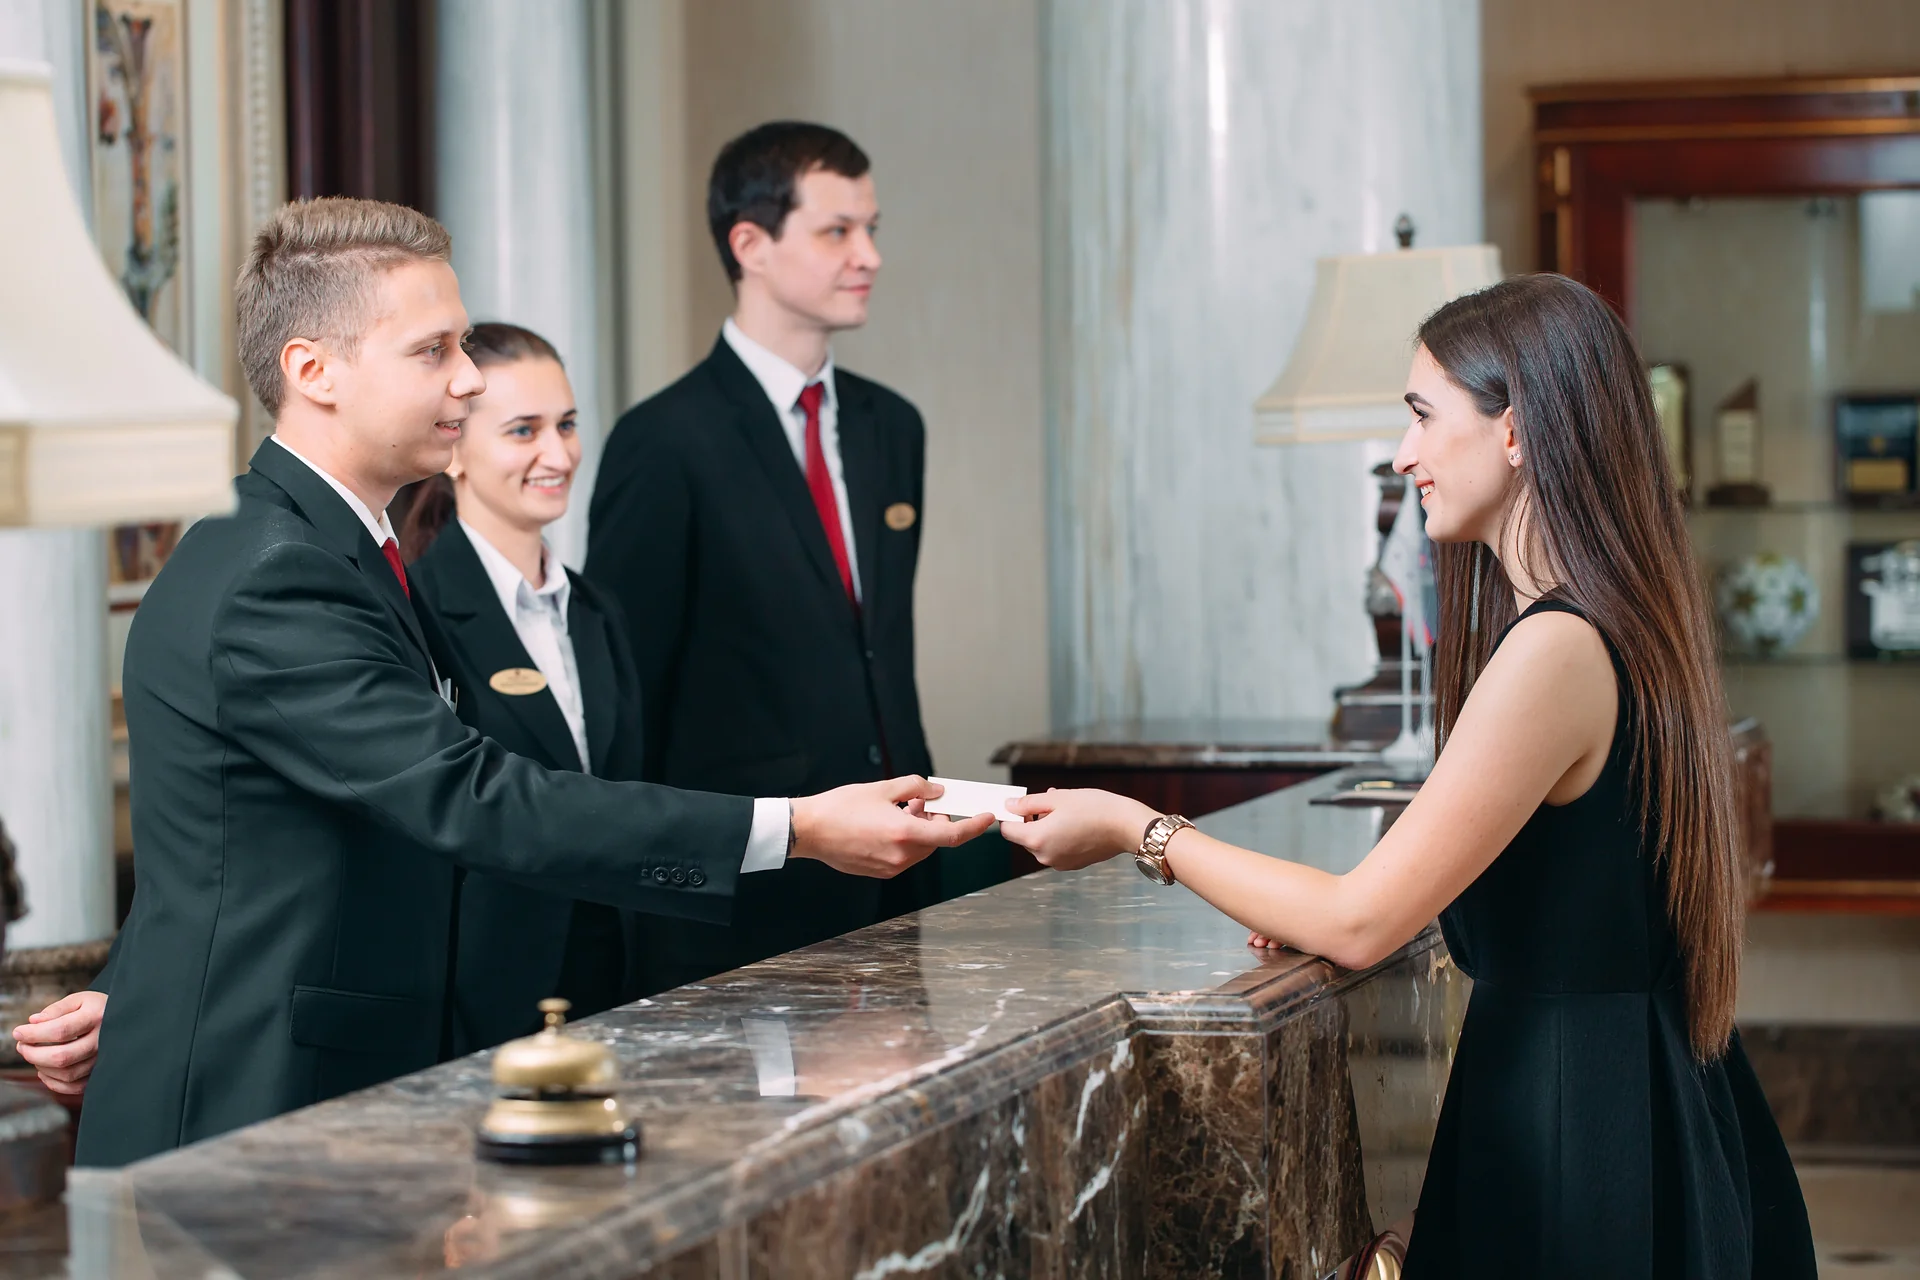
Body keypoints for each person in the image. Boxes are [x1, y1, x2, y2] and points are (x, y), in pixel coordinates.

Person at [9, 197, 990, 1167]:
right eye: (433, 352)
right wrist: (803, 827)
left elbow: (234, 843)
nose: (470, 380)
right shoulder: (277, 570)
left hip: (339, 1077)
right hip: (257, 1098)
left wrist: (142, 987)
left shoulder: (349, 547)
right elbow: (473, 798)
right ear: (314, 370)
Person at [999, 275, 1816, 1277]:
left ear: (1515, 428)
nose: (1403, 454)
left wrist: (1139, 830)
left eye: (1423, 415)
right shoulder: (1616, 617)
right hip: (1638, 1099)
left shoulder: (1556, 648)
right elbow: (1508, 883)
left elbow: (1360, 920)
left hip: (1583, 1125)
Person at [586, 121, 963, 993]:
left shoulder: (890, 427)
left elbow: (874, 654)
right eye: (837, 231)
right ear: (749, 244)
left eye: (871, 228)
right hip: (744, 907)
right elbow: (629, 699)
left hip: (905, 882)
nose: (867, 254)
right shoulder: (663, 442)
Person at [394, 321, 644, 1053]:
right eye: (523, 430)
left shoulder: (598, 611)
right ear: (455, 451)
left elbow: (625, 794)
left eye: (566, 425)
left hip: (616, 986)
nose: (558, 454)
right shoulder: (418, 607)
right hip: (478, 999)